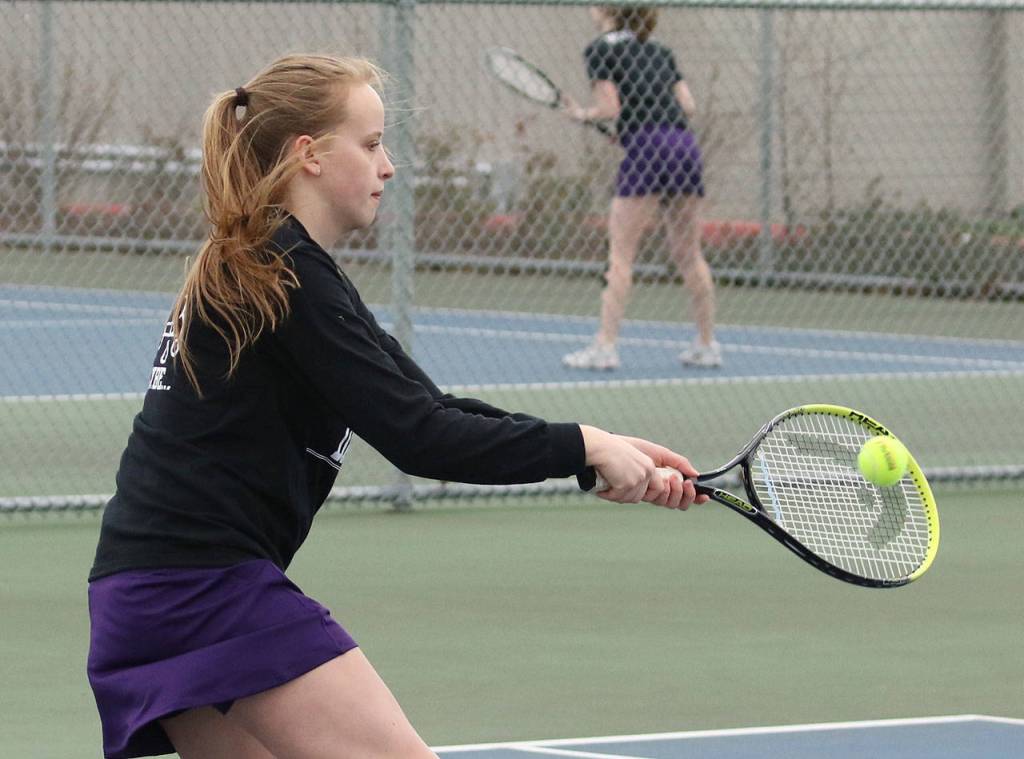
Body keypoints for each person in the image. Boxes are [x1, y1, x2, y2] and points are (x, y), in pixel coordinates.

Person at [86, 54, 706, 759]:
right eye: (373, 144)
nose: (389, 167)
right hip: (201, 588)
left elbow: (427, 407)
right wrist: (582, 445)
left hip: (148, 588)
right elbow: (422, 437)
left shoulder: (279, 263)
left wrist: (593, 447)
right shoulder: (284, 273)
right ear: (308, 155)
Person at [561, 5, 721, 370]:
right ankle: (707, 344)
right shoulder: (660, 50)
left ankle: (605, 347)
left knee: (621, 256)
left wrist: (581, 115)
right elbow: (688, 105)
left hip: (647, 148)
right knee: (689, 253)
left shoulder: (600, 49)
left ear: (605, 10)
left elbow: (608, 107)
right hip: (683, 145)